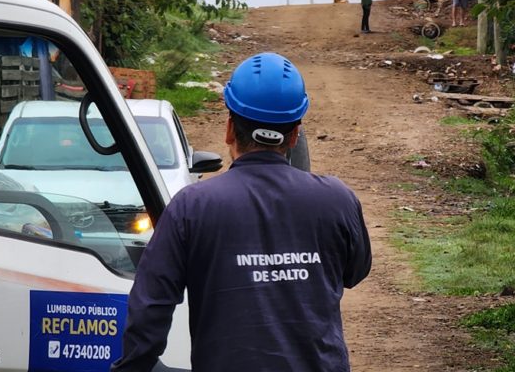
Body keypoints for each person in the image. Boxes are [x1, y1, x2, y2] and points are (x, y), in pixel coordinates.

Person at [111, 52, 372, 372]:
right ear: (294, 136)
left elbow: (151, 306)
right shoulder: (338, 200)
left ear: (229, 130)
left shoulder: (191, 208)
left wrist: (134, 365)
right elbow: (355, 272)